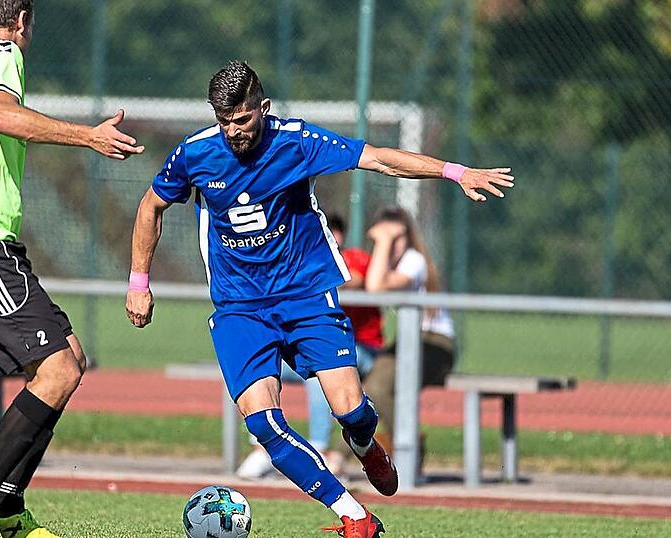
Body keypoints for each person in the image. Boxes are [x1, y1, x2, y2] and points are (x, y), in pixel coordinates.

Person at [125, 60, 511, 537]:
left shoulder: (297, 142)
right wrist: (139, 282)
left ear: (262, 108)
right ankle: (354, 517)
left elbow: (380, 158)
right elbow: (151, 206)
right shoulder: (195, 154)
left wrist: (454, 172)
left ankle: (367, 446)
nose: (232, 132)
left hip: (305, 297)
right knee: (264, 425)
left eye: (242, 120)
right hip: (240, 307)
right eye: (223, 120)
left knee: (351, 411)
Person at [0, 2, 144, 537]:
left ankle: (8, 506)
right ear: (20, 19)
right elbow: (2, 115)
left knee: (68, 360)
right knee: (59, 369)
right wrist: (89, 136)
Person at [235, 213, 383, 480]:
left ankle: (320, 448)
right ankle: (261, 447)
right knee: (253, 369)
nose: (331, 236)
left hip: (362, 350)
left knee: (319, 372)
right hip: (307, 347)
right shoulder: (295, 258)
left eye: (335, 232)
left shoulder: (350, 258)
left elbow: (355, 279)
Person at [362, 206, 456, 447]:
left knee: (377, 387)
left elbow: (375, 287)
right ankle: (344, 453)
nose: (392, 244)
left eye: (397, 238)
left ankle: (409, 448)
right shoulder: (387, 264)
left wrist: (383, 240)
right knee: (371, 389)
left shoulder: (413, 260)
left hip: (436, 343)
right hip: (411, 340)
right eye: (385, 237)